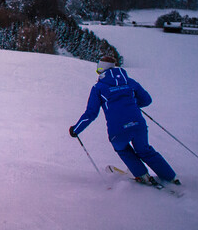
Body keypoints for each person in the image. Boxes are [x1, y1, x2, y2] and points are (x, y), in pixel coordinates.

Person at [68, 55, 180, 186]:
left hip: (118, 129)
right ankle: (171, 178)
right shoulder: (130, 82)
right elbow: (147, 100)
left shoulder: (98, 88)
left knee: (122, 148)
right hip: (138, 125)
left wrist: (76, 130)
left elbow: (91, 113)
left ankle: (142, 175)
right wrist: (131, 104)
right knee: (145, 150)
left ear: (101, 69)